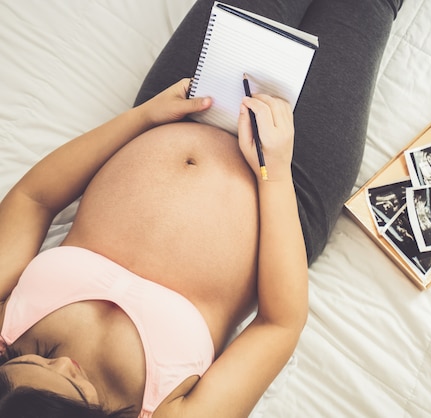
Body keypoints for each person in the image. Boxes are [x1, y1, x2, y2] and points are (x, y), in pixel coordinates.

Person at [0, 0, 402, 416]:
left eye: (38, 355)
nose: (64, 361)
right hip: (292, 182)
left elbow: (33, 199)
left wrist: (143, 117)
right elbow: (277, 327)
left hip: (179, 108)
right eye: (77, 383)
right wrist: (275, 172)